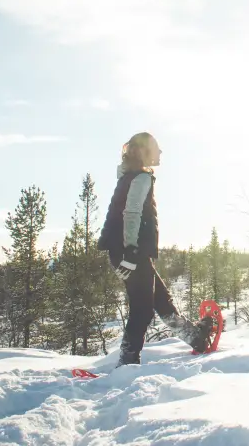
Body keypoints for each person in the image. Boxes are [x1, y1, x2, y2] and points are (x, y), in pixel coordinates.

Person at [97, 131, 214, 366]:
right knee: (142, 309)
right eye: (156, 148)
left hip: (128, 252)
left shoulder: (129, 176)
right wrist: (130, 252)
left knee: (161, 301)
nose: (160, 152)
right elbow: (131, 214)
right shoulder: (141, 178)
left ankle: (195, 338)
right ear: (145, 151)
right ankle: (128, 363)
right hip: (132, 252)